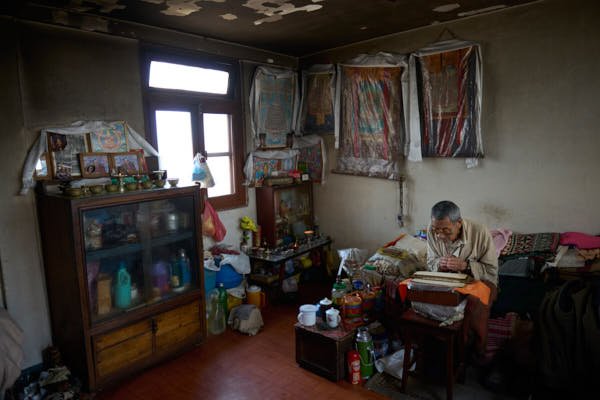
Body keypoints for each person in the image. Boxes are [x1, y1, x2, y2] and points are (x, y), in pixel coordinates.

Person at [426, 200, 498, 360]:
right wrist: (440, 264)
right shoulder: (432, 229)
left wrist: (466, 266)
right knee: (424, 295)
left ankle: (477, 352)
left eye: (446, 231)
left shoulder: (480, 232)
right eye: (437, 231)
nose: (440, 236)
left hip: (478, 281)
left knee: (475, 301)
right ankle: (441, 347)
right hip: (448, 280)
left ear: (458, 223)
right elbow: (430, 262)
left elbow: (491, 271)